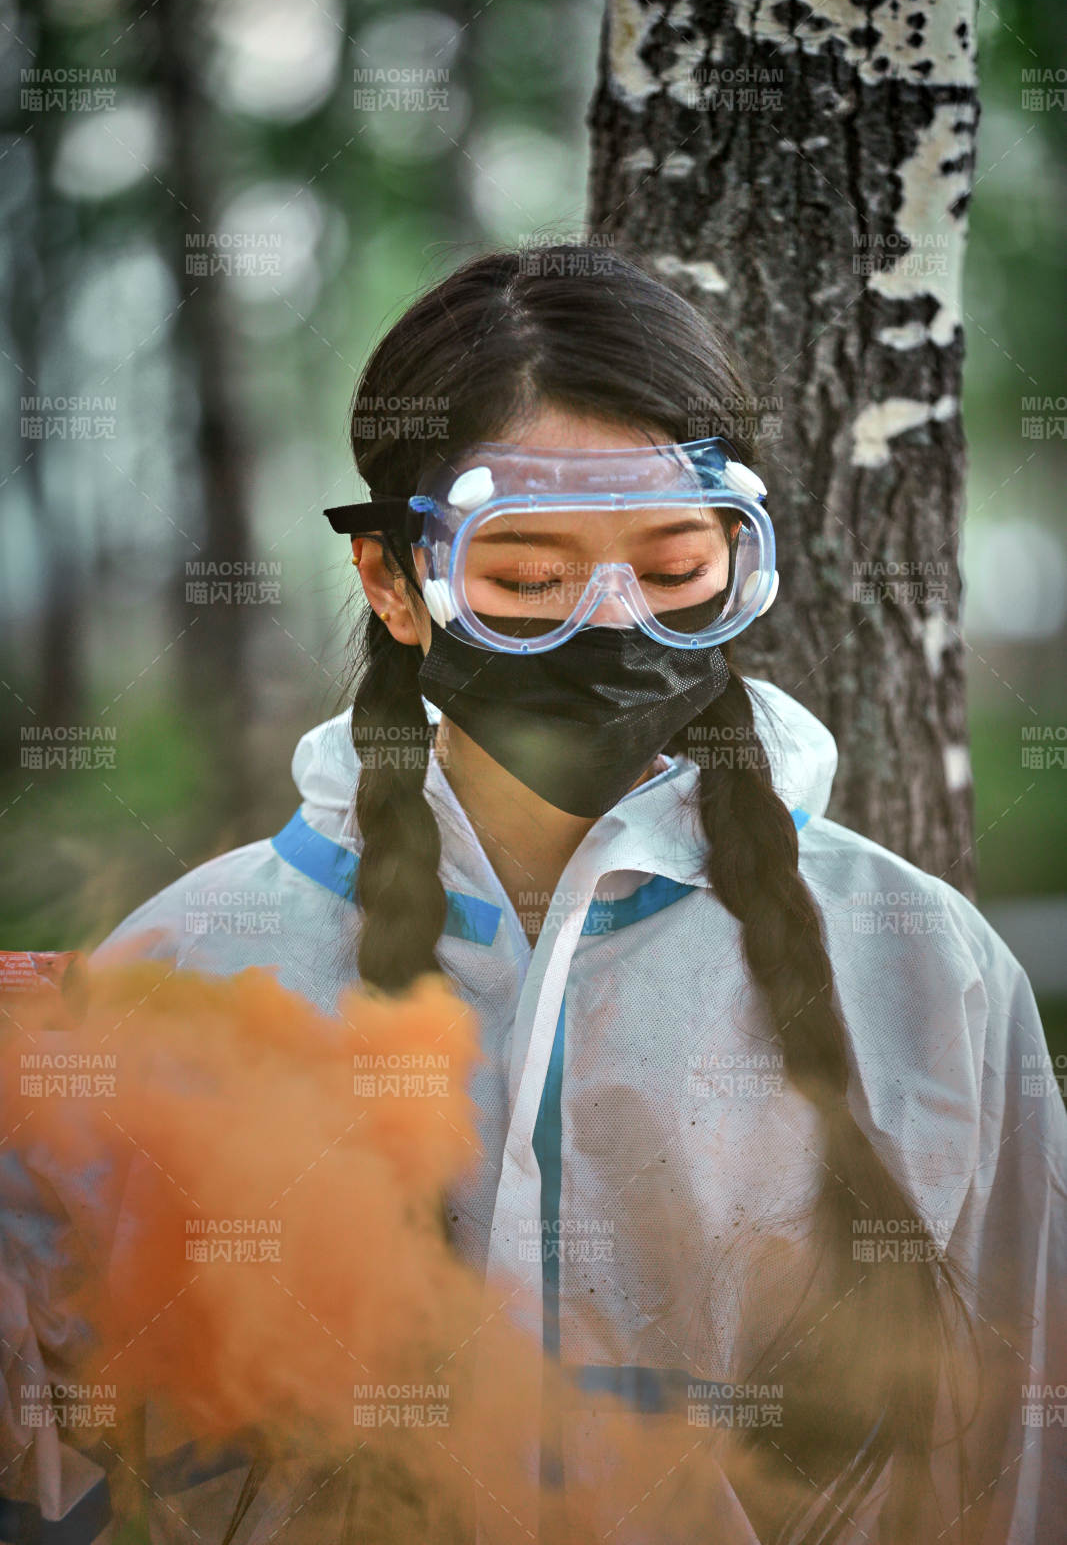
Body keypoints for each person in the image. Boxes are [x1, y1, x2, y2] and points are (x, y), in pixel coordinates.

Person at [2, 244, 1064, 1545]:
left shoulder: (923, 973)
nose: (608, 625)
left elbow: (1019, 1469)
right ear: (395, 582)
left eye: (672, 570)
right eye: (526, 579)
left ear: (738, 559)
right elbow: (58, 1453)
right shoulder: (194, 970)